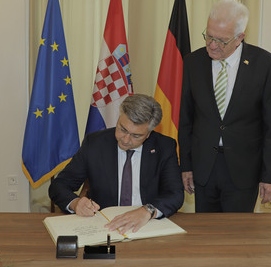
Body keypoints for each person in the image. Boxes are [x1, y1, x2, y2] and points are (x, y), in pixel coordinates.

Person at [178, 0, 271, 212]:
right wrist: (185, 166)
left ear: (239, 38)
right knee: (204, 234)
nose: (212, 45)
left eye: (221, 40)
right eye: (209, 36)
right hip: (204, 167)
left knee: (238, 236)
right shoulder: (192, 63)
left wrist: (270, 176)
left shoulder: (264, 64)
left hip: (244, 169)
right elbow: (186, 119)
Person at [49, 94, 184, 234]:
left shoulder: (164, 147)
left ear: (148, 133)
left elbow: (175, 194)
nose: (125, 139)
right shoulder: (95, 144)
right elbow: (59, 185)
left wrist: (148, 210)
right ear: (119, 119)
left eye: (136, 136)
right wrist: (76, 203)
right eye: (122, 129)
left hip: (147, 225)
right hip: (104, 226)